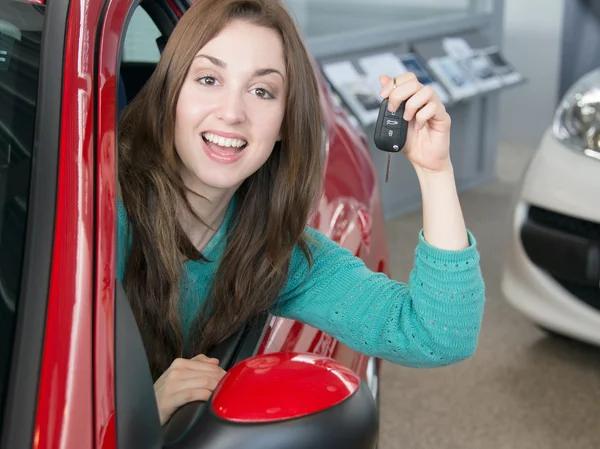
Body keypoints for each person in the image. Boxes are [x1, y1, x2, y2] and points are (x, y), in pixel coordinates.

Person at [117, 0, 486, 426]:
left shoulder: (276, 254)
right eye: (208, 79)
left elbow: (440, 336)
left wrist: (435, 171)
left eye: (262, 91)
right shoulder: (104, 216)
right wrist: (137, 409)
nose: (232, 113)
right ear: (170, 94)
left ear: (285, 124)